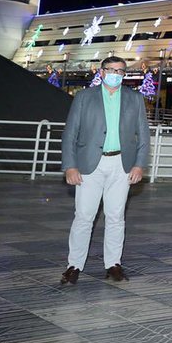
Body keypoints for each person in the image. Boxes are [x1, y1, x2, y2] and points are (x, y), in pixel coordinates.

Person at [59, 56, 150, 284]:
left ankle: (113, 264)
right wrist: (70, 166)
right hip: (90, 165)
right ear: (101, 72)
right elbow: (70, 133)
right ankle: (74, 265)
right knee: (83, 217)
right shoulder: (84, 97)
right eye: (111, 70)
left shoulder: (135, 99)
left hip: (122, 165)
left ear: (124, 75)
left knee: (116, 217)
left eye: (120, 71)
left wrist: (139, 164)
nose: (115, 74)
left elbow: (144, 136)